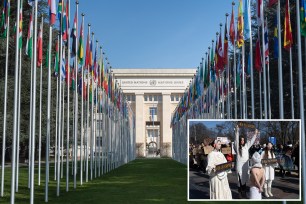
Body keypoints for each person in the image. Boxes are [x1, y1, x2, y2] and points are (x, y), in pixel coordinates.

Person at [234, 125, 258, 198]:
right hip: (239, 167)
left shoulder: (246, 146)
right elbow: (236, 139)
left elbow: (251, 141)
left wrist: (255, 134)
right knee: (240, 180)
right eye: (241, 140)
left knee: (244, 180)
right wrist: (237, 130)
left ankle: (244, 192)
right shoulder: (237, 148)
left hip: (245, 166)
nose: (242, 141)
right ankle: (240, 193)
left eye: (243, 140)